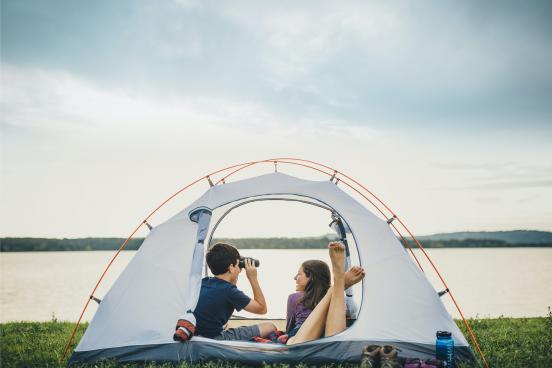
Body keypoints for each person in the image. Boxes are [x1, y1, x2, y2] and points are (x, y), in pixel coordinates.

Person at [193, 242, 276, 340]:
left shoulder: (204, 282)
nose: (240, 269)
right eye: (238, 264)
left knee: (226, 324)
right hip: (214, 338)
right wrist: (253, 278)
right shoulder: (229, 291)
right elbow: (262, 309)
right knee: (270, 327)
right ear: (231, 268)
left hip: (196, 334)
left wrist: (234, 275)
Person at [287, 242, 365, 345]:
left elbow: (289, 328)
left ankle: (339, 282)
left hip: (302, 335)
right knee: (333, 341)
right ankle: (339, 283)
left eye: (299, 274)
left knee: (295, 344)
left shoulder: (295, 298)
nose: (295, 278)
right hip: (329, 333)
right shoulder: (340, 299)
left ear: (311, 277)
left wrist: (287, 335)